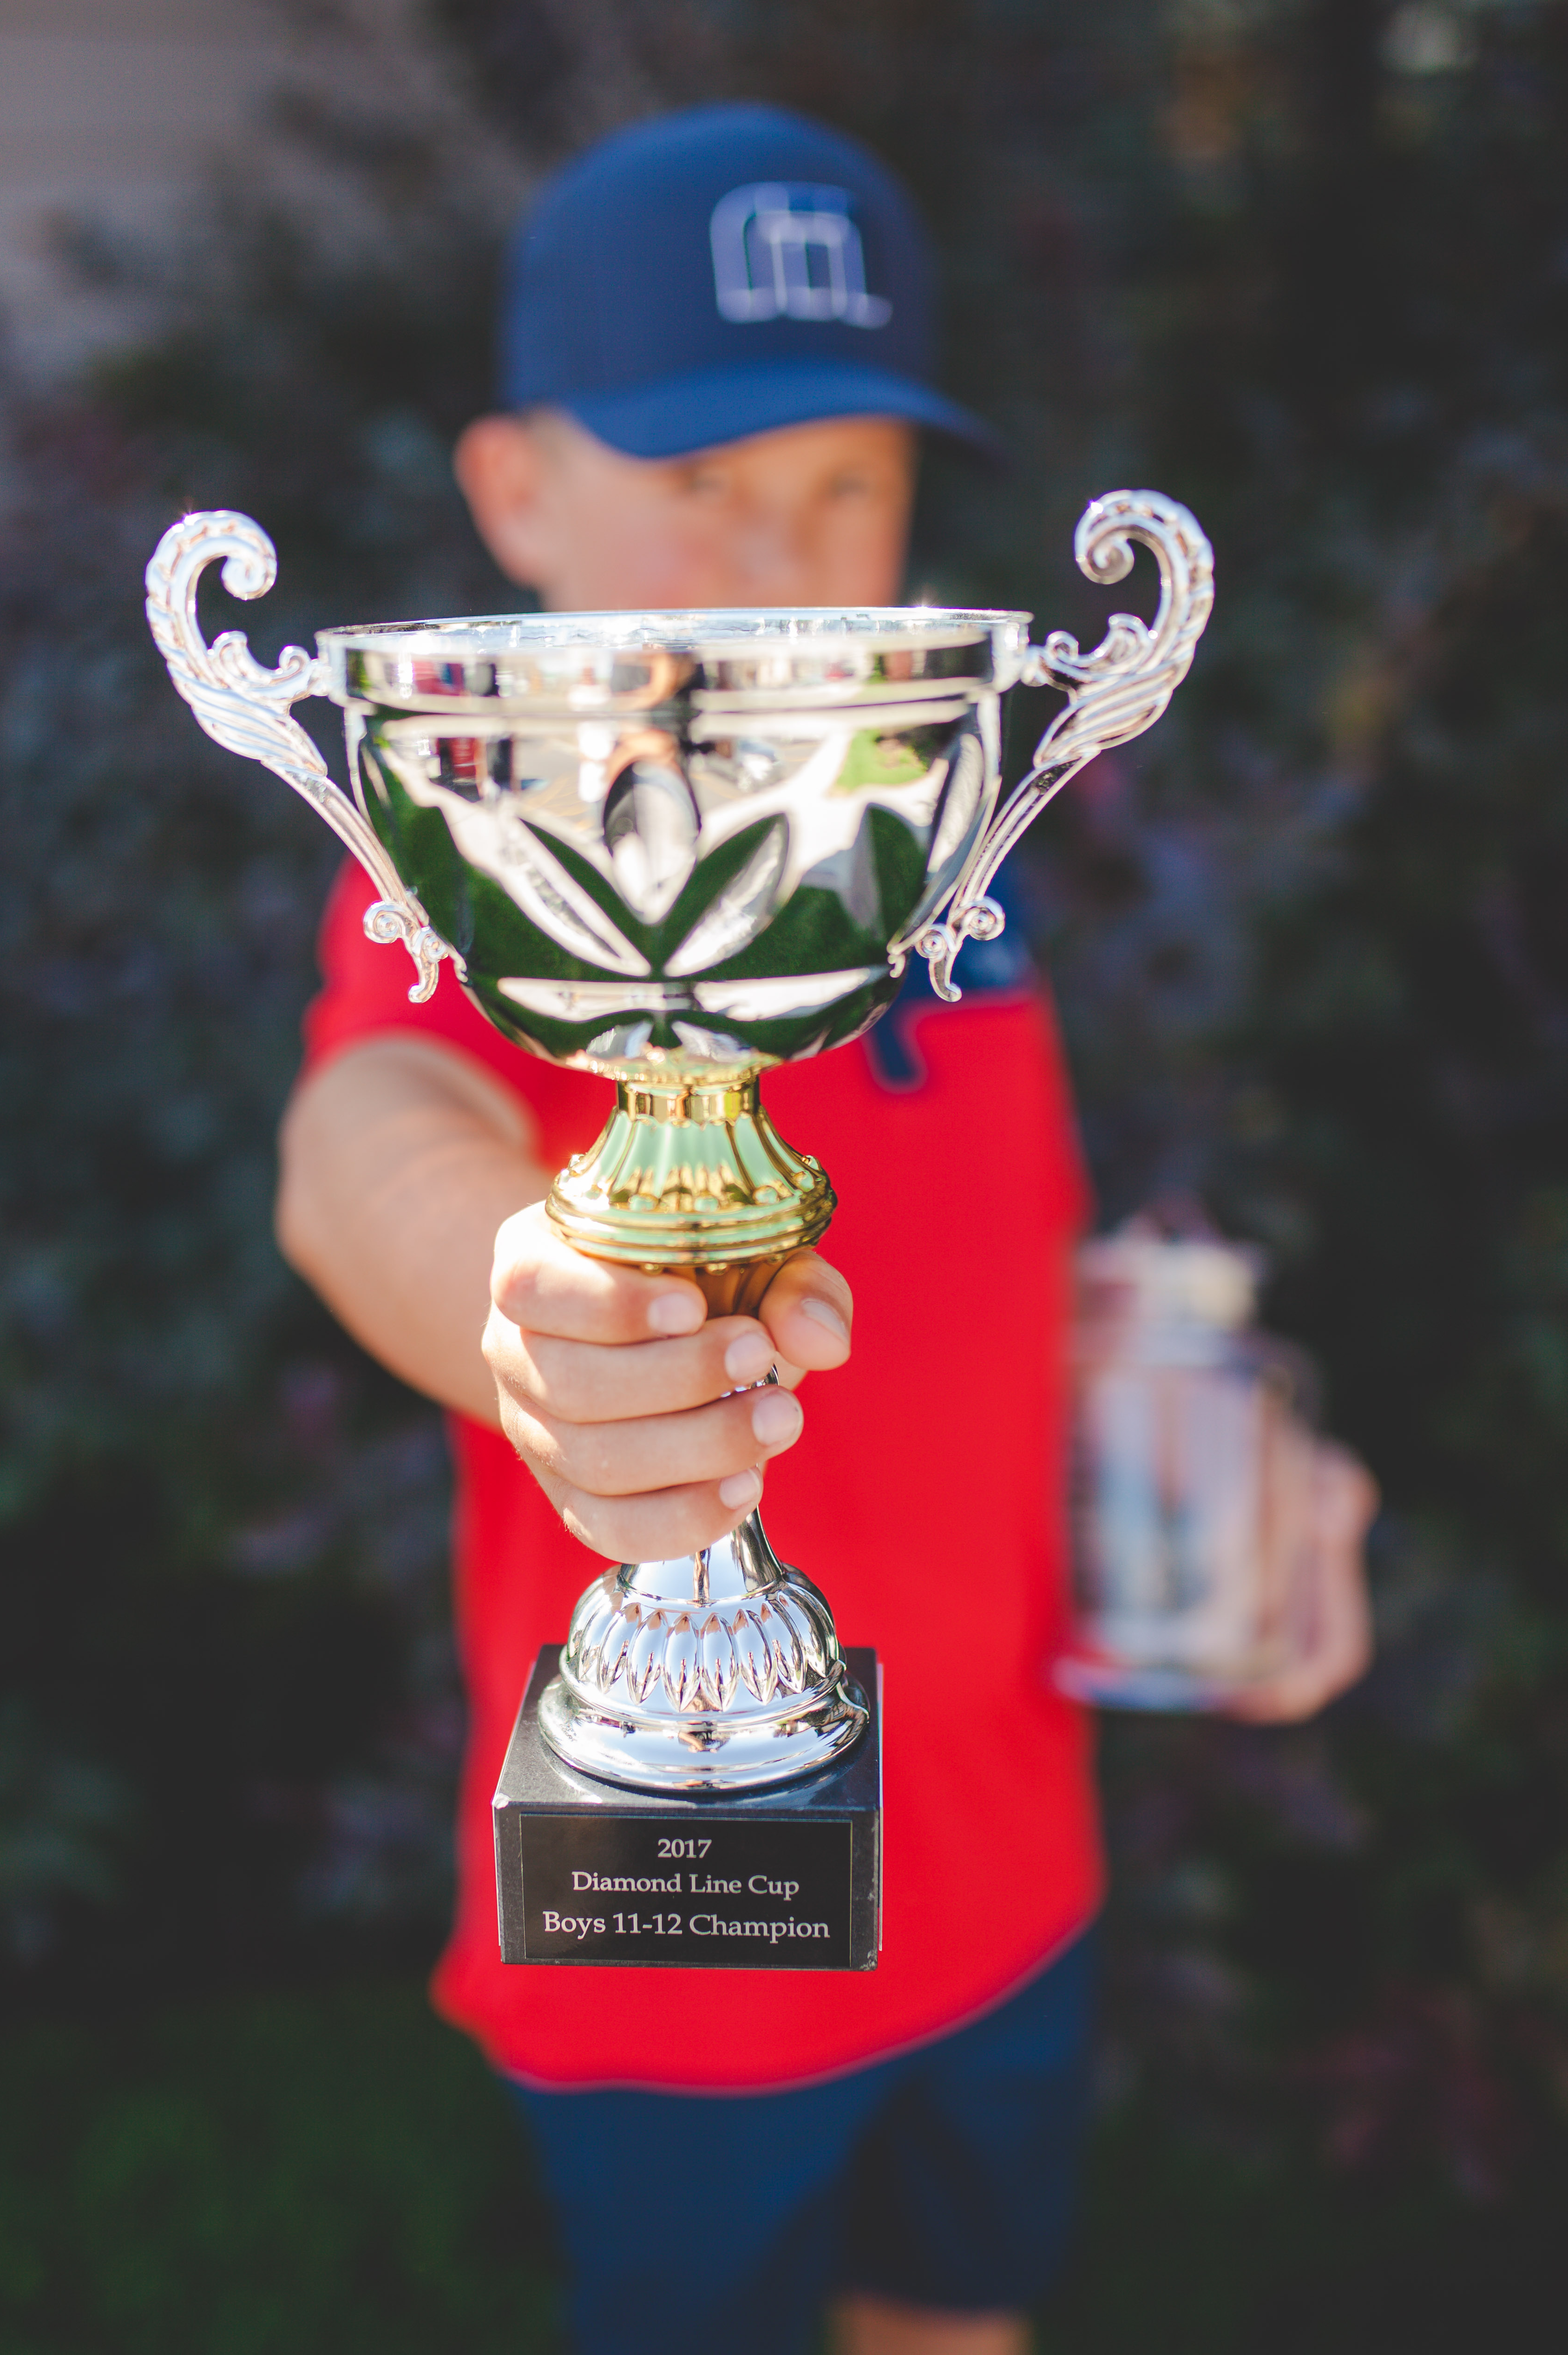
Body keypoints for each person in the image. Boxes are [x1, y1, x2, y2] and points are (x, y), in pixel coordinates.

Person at [276, 104, 1375, 2355]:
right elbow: (363, 1133)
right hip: (687, 1935)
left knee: (956, 2321)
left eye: (843, 483)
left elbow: (1009, 1272)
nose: (778, 553)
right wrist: (514, 1287)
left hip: (1010, 1864)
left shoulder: (940, 854)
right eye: (699, 478)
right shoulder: (480, 852)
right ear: (513, 496)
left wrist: (1227, 1458)